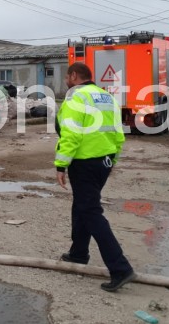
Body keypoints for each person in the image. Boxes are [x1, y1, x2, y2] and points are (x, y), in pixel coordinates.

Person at [55, 62, 135, 292]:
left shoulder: (76, 98)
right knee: (82, 205)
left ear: (73, 76)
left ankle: (120, 268)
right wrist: (113, 159)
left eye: (67, 77)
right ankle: (79, 253)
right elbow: (118, 132)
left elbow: (71, 133)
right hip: (104, 160)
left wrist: (61, 164)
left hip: (84, 162)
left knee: (90, 211)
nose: (66, 81)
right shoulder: (106, 97)